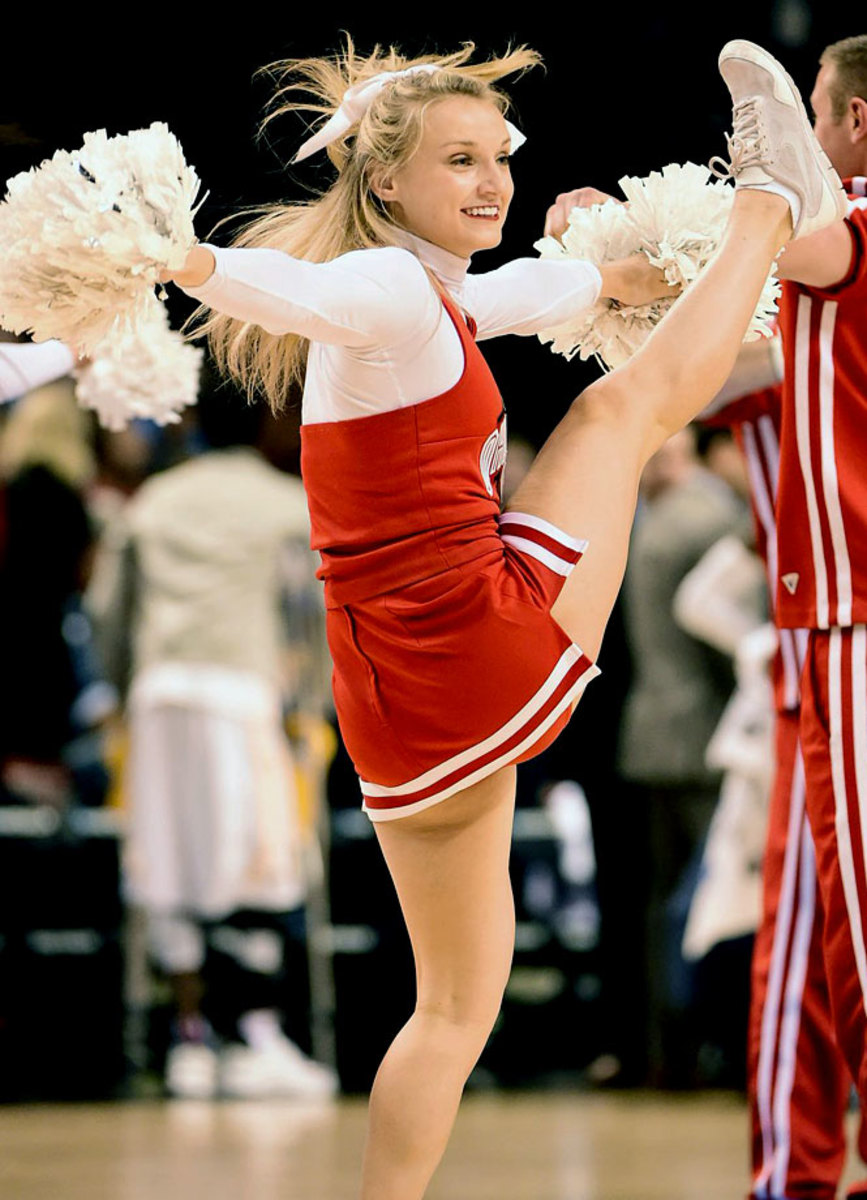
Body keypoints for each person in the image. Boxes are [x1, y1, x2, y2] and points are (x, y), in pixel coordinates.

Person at [160, 36, 844, 1200]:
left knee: (455, 1008)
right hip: (466, 637)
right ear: (385, 185)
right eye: (458, 162)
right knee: (614, 416)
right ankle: (769, 205)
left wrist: (614, 279)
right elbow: (305, 293)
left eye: (497, 157)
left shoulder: (428, 294)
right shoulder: (377, 288)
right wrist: (186, 258)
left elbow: (515, 295)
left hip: (395, 698)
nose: (490, 183)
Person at [92, 373, 336, 1099]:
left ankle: (190, 1042)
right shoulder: (283, 504)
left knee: (171, 865)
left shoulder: (154, 503)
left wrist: (119, 689)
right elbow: (312, 609)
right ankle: (256, 1036)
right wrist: (316, 705)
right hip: (239, 693)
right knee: (256, 863)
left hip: (159, 695)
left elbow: (110, 610)